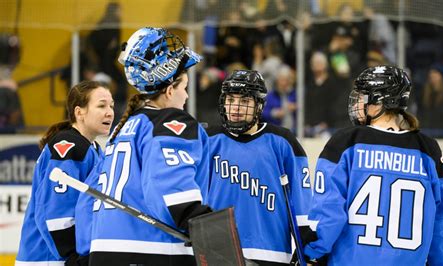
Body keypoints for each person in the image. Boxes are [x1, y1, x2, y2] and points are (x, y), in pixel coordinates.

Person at [295, 66, 443, 265]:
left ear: (379, 102)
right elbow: (440, 227)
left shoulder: (347, 142)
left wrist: (310, 252)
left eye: (364, 97)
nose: (358, 102)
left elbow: (328, 213)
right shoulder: (429, 151)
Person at [88, 27, 211, 265]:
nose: (186, 96)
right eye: (184, 87)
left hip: (102, 250)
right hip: (152, 250)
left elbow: (91, 196)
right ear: (169, 89)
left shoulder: (123, 128)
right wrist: (205, 227)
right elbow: (171, 187)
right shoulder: (170, 122)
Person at [207, 69, 313, 265]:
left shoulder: (282, 141)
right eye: (231, 100)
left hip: (270, 251)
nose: (236, 108)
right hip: (217, 250)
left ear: (259, 106)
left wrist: (307, 248)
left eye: (244, 101)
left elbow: (302, 200)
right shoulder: (207, 140)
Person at [15, 80, 114, 265]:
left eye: (111, 105)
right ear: (79, 112)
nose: (110, 112)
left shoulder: (92, 148)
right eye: (101, 106)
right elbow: (55, 208)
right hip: (47, 258)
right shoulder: (68, 147)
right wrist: (71, 255)